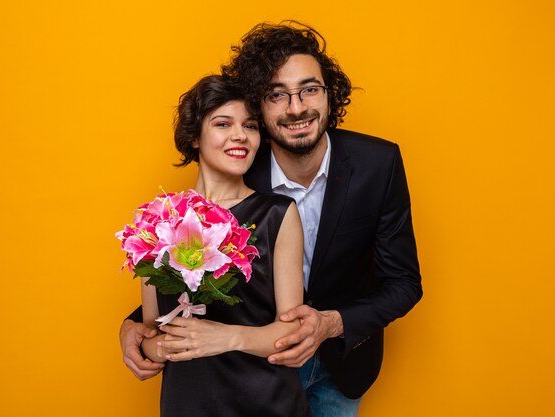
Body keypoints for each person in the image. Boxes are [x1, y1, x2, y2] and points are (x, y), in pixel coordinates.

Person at [121, 21, 423, 417]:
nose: (296, 107)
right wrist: (135, 329)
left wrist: (330, 324)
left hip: (342, 364)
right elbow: (193, 266)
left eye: (309, 89)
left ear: (330, 95)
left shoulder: (377, 165)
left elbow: (404, 283)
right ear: (260, 109)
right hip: (250, 372)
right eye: (277, 95)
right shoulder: (239, 164)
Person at [135, 75, 311, 416]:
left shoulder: (278, 214)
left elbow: (290, 330)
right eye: (223, 123)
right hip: (187, 403)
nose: (240, 136)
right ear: (194, 137)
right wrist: (158, 346)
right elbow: (151, 332)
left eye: (250, 125)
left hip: (265, 403)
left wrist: (227, 338)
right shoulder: (159, 220)